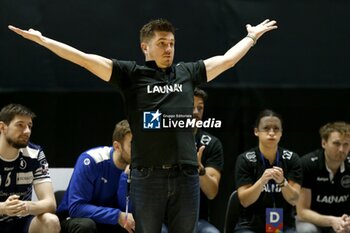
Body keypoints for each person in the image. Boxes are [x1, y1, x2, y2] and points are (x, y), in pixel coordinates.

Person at [9, 18, 277, 233]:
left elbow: (228, 59)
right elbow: (83, 58)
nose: (168, 49)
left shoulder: (188, 72)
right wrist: (43, 41)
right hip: (148, 177)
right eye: (161, 43)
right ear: (145, 47)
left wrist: (251, 37)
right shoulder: (132, 75)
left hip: (186, 177)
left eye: (171, 43)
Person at [162, 87, 224, 233]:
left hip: (196, 220)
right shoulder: (162, 138)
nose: (195, 112)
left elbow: (212, 192)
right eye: (190, 106)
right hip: (161, 218)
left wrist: (199, 169)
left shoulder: (211, 143)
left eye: (200, 108)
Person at [56, 119, 135, 233]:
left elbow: (127, 212)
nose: (138, 150)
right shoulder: (91, 160)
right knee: (86, 226)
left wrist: (125, 177)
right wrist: (117, 216)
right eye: (132, 145)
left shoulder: (138, 167)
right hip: (76, 219)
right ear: (117, 146)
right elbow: (76, 208)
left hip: (109, 221)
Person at [234, 109, 302, 233]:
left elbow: (294, 199)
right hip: (250, 225)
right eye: (266, 128)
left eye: (276, 128)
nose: (271, 133)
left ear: (281, 133)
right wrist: (262, 181)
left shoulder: (292, 158)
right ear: (256, 132)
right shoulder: (245, 159)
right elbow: (245, 201)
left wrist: (283, 182)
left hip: (284, 225)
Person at [0, 103, 60, 233]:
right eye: (20, 125)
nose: (27, 131)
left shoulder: (35, 153)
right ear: (2, 127)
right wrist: (3, 208)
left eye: (29, 126)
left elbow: (50, 204)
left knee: (51, 221)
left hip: (21, 221)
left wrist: (25, 206)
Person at [296, 122, 350, 233]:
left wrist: (347, 222)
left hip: (342, 221)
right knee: (307, 230)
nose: (341, 149)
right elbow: (302, 212)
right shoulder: (307, 164)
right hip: (311, 221)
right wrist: (332, 221)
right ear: (324, 143)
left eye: (346, 144)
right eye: (336, 143)